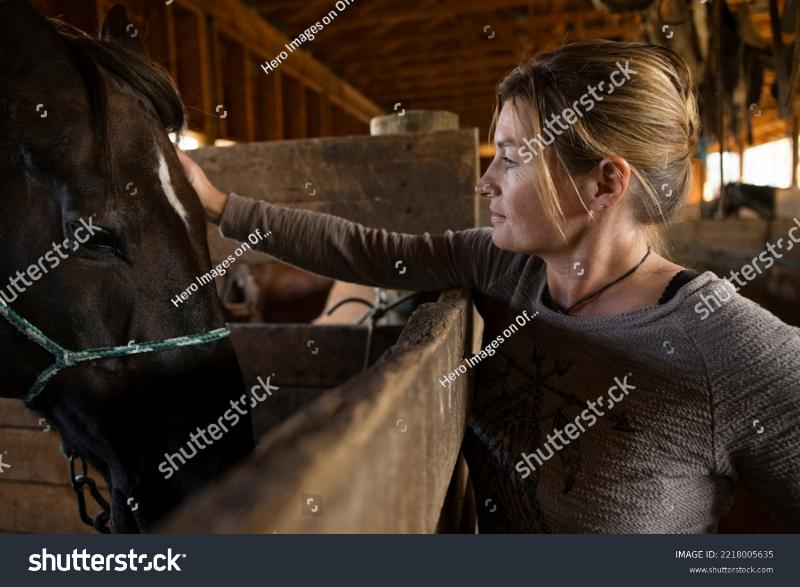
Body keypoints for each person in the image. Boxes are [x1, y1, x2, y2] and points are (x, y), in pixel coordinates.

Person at [176, 40, 800, 533]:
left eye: (513, 156)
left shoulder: (731, 349)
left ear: (605, 184)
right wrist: (220, 206)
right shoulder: (504, 269)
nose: (486, 181)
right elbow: (369, 251)